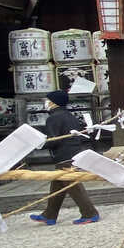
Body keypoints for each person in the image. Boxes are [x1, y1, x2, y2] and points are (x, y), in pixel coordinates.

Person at [30, 89, 101, 225]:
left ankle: (90, 214)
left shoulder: (53, 118)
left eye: (48, 100)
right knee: (57, 186)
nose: (46, 103)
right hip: (73, 154)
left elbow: (54, 140)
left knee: (74, 187)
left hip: (64, 157)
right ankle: (49, 215)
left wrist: (37, 144)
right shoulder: (70, 116)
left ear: (54, 103)